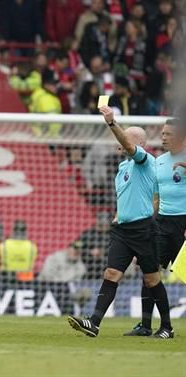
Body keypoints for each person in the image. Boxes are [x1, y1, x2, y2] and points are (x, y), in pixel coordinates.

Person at [67, 106, 173, 339]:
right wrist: (118, 215)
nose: (119, 140)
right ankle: (93, 323)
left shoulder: (145, 161)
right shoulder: (123, 166)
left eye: (127, 137)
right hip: (122, 230)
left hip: (143, 229)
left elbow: (127, 145)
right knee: (111, 273)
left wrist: (112, 123)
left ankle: (166, 327)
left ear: (137, 144)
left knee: (152, 279)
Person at [125, 118, 186, 336]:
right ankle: (145, 325)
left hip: (184, 223)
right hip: (161, 223)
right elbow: (156, 196)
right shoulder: (159, 161)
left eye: (168, 134)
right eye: (162, 133)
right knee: (150, 273)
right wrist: (148, 221)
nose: (163, 137)